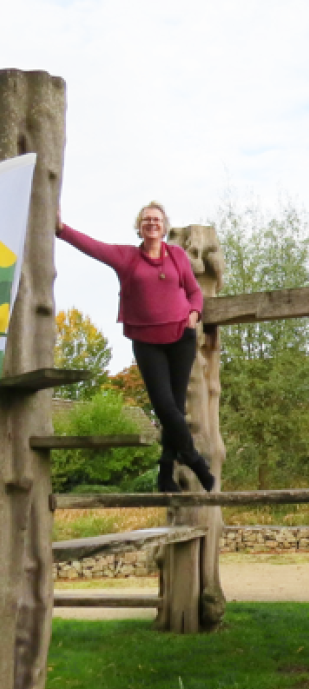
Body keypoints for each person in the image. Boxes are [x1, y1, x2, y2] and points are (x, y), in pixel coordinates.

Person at [56, 203, 215, 493]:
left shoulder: (177, 255)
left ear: (164, 226)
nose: (152, 223)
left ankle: (165, 475)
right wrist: (62, 230)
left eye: (156, 219)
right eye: (146, 220)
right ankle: (192, 457)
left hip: (181, 337)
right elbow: (94, 247)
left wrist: (194, 314)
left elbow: (193, 291)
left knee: (175, 408)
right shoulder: (127, 257)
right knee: (165, 407)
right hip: (146, 341)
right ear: (139, 226)